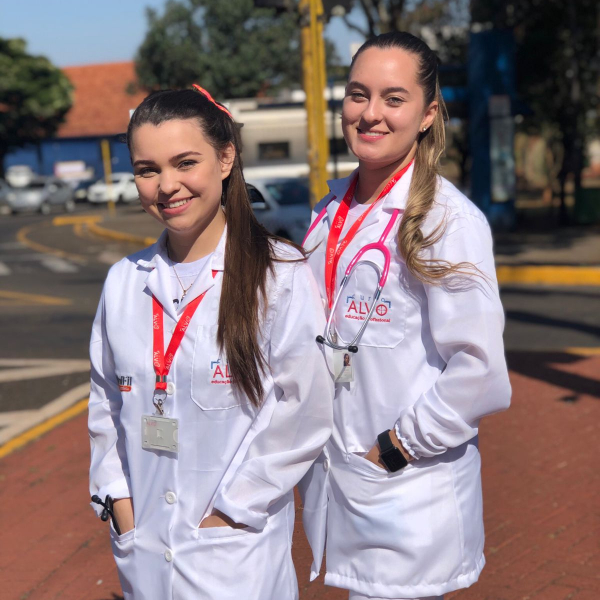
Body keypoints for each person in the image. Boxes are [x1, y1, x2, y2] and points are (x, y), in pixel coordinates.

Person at [88, 86, 333, 600]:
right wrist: (117, 501)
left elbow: (304, 410)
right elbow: (106, 402)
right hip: (145, 548)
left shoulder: (278, 275)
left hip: (235, 554)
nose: (167, 186)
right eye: (147, 169)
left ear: (225, 159)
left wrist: (232, 513)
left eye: (185, 163)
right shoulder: (124, 281)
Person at [301, 32, 511, 600]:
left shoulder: (447, 221)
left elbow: (480, 371)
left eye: (393, 98)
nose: (370, 113)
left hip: (407, 485)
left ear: (428, 114)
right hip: (346, 479)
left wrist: (394, 447)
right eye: (358, 94)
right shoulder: (329, 211)